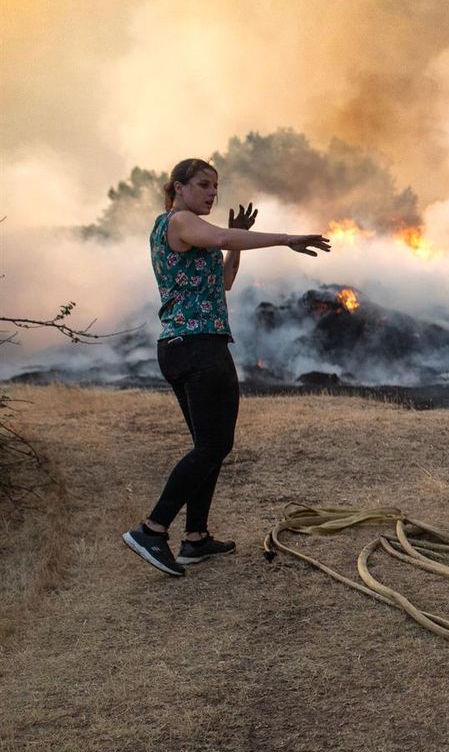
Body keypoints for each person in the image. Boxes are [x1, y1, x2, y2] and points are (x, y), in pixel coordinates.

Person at [121, 158, 331, 577]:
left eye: (216, 186)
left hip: (185, 347)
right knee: (213, 446)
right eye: (203, 185)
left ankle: (195, 538)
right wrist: (285, 238)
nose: (212, 193)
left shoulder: (187, 233)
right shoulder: (179, 221)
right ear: (178, 187)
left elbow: (225, 280)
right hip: (198, 348)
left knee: (209, 443)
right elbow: (217, 234)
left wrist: (238, 244)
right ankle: (152, 528)